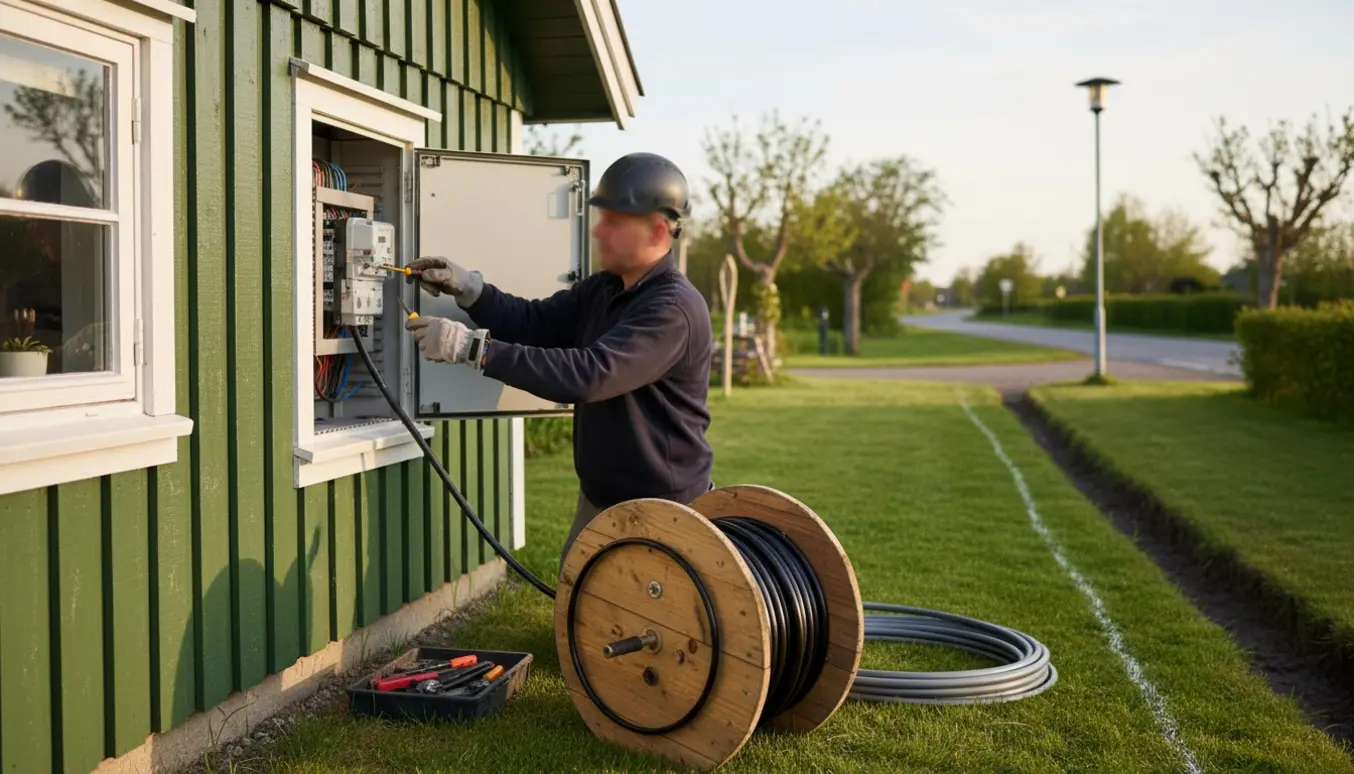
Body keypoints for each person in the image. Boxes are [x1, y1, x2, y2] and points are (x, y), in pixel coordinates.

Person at [405, 152, 715, 569]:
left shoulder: (672, 309)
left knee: (656, 625)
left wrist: (473, 348)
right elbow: (535, 322)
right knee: (580, 617)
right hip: (601, 496)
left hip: (661, 506)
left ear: (658, 230)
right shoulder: (604, 288)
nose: (599, 230)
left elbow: (589, 374)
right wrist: (470, 289)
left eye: (614, 222)